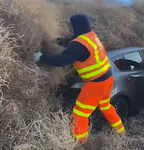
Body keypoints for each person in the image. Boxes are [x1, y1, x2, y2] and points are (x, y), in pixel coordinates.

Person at [34, 14, 126, 143]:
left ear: (75, 26)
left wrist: (41, 57)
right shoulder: (91, 36)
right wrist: (60, 41)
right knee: (105, 106)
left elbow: (62, 60)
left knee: (80, 113)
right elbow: (76, 42)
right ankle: (120, 131)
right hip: (108, 79)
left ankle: (80, 141)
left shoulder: (79, 45)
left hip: (96, 84)